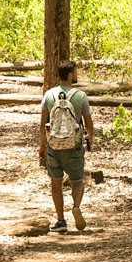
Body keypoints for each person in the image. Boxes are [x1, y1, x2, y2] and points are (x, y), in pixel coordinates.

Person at [39, 60, 94, 232]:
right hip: (74, 146)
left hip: (54, 146)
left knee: (56, 183)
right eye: (75, 73)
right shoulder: (80, 96)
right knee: (77, 181)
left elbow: (42, 125)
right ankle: (76, 206)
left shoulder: (49, 95)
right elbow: (89, 123)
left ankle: (61, 221)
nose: (76, 75)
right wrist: (89, 137)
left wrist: (42, 146)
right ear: (70, 75)